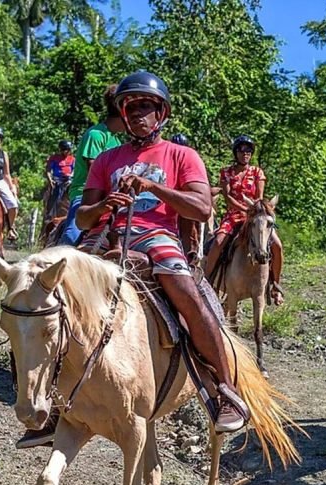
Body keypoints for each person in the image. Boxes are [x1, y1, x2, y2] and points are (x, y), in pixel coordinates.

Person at [74, 71, 251, 435]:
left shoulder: (181, 155)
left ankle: (227, 391)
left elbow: (201, 208)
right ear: (123, 114)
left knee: (184, 289)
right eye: (132, 107)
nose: (138, 113)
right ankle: (49, 399)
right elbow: (82, 216)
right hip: (110, 239)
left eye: (146, 107)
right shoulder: (107, 159)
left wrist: (152, 185)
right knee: (50, 288)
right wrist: (108, 203)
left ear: (161, 113)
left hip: (159, 238)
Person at [204, 135, 284, 305]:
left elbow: (259, 197)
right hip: (233, 215)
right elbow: (228, 198)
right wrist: (244, 209)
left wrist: (254, 211)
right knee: (218, 242)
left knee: (277, 245)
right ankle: (207, 282)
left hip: (256, 216)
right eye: (241, 150)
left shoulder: (257, 172)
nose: (245, 153)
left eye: (248, 150)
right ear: (236, 152)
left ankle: (276, 285)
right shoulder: (226, 172)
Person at [56, 85, 125, 247]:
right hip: (85, 194)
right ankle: (59, 261)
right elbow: (93, 169)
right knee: (73, 234)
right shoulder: (96, 135)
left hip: (110, 196)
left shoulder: (117, 141)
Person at [43, 140, 75, 220]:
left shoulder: (73, 159)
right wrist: (50, 180)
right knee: (56, 192)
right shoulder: (54, 158)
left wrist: (71, 175)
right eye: (65, 150)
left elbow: (75, 170)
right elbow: (48, 170)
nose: (66, 152)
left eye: (68, 150)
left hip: (69, 180)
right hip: (57, 180)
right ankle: (50, 212)